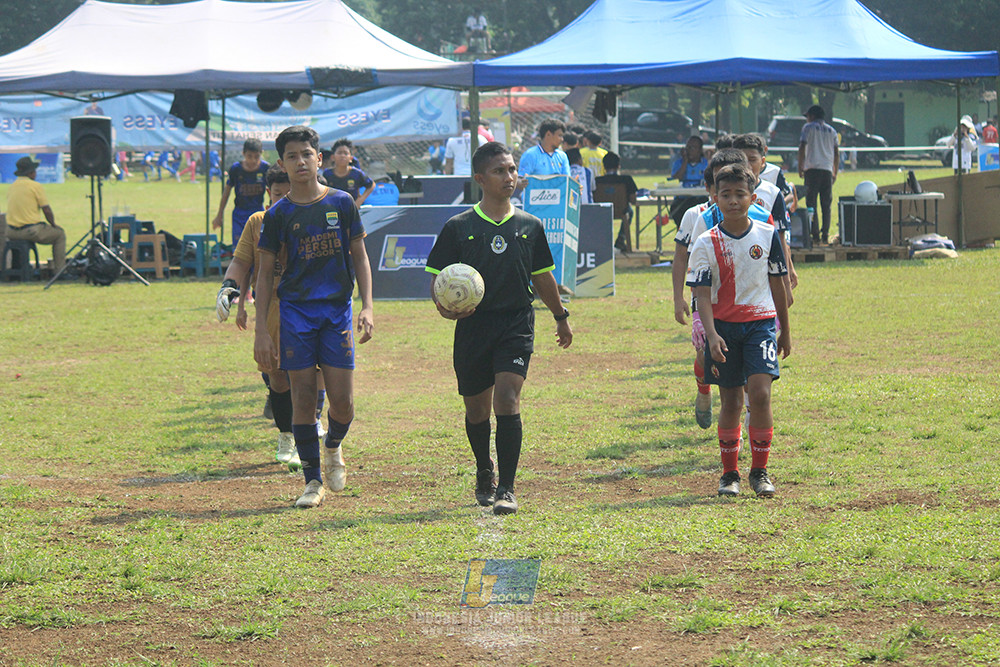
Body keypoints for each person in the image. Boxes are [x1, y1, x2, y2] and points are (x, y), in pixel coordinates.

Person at [425, 141, 573, 516]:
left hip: (515, 322)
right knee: (476, 411)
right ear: (480, 178)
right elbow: (438, 281)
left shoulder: (530, 225)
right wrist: (444, 308)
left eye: (512, 170)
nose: (509, 177)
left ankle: (507, 486)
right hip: (473, 327)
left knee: (507, 398)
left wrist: (560, 316)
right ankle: (484, 470)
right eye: (499, 171)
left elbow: (542, 276)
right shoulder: (458, 227)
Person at [254, 125, 374, 509]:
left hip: (336, 311)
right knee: (303, 399)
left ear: (318, 159)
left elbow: (360, 256)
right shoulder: (278, 214)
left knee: (342, 402)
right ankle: (311, 481)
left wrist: (367, 305)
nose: (300, 161)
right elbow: (263, 273)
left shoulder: (341, 203)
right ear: (282, 163)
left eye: (307, 154)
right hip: (295, 314)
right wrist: (261, 330)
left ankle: (333, 445)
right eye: (292, 156)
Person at [686, 163, 790, 498]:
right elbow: (702, 295)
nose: (733, 201)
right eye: (725, 195)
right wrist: (712, 333)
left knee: (760, 394)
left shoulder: (768, 236)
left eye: (739, 194)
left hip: (760, 326)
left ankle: (759, 471)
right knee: (731, 400)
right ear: (714, 197)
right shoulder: (705, 242)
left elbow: (778, 285)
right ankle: (729, 474)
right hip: (724, 330)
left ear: (753, 198)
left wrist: (785, 330)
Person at [673, 149, 772, 430]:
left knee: (751, 380)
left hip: (751, 307)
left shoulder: (762, 217)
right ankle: (704, 390)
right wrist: (679, 296)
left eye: (737, 190)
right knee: (706, 358)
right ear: (712, 189)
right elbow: (683, 257)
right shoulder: (700, 218)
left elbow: (775, 253)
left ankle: (743, 428)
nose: (730, 197)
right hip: (710, 301)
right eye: (721, 187)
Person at [216, 164, 301, 470]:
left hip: (308, 305)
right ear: (269, 194)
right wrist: (229, 289)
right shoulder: (257, 222)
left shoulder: (312, 218)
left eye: (290, 193)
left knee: (313, 375)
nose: (285, 200)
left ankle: (310, 427)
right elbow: (241, 262)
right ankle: (287, 435)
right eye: (279, 194)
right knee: (278, 376)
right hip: (272, 306)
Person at [731, 133, 797, 292]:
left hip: (765, 260)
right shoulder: (726, 192)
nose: (747, 165)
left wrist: (786, 275)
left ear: (762, 162)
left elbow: (780, 237)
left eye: (752, 160)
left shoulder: (773, 193)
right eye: (741, 159)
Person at [5, 157, 65, 274]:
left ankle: (17, 269)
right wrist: (53, 225)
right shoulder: (35, 186)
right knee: (59, 235)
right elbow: (46, 210)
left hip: (11, 231)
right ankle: (59, 271)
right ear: (31, 173)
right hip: (30, 230)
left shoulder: (12, 186)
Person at [212, 138, 269, 244]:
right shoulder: (236, 169)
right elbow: (226, 192)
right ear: (243, 154)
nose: (253, 160)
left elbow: (273, 192)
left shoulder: (265, 168)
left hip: (258, 212)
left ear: (261, 154)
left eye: (256, 156)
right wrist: (219, 214)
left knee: (259, 246)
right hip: (240, 214)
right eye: (249, 156)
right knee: (240, 247)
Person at [798, 104, 839, 245]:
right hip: (827, 170)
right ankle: (825, 234)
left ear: (812, 116)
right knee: (826, 204)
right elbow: (836, 152)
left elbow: (802, 147)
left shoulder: (807, 128)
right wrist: (835, 170)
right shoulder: (832, 131)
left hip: (812, 170)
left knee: (811, 203)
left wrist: (800, 166)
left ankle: (814, 234)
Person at [594, 151, 638, 251]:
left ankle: (603, 241)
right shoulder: (626, 179)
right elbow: (633, 200)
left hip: (601, 211)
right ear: (618, 166)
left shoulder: (597, 181)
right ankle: (621, 239)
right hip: (621, 210)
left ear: (604, 166)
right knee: (630, 211)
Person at [321, 138, 374, 207]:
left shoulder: (356, 173)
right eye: (339, 153)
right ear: (333, 157)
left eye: (346, 153)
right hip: (333, 208)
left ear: (351, 158)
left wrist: (360, 200)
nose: (343, 156)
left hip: (351, 209)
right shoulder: (327, 173)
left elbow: (371, 185)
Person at [517, 118, 570, 188]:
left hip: (556, 198)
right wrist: (520, 183)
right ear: (548, 134)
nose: (562, 139)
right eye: (559, 135)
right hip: (535, 198)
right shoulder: (530, 155)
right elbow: (519, 179)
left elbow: (567, 180)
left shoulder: (563, 156)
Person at [669, 135, 709, 226]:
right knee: (676, 210)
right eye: (688, 147)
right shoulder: (679, 163)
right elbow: (677, 178)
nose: (689, 150)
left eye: (693, 147)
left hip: (700, 198)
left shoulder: (705, 163)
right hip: (682, 198)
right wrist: (685, 161)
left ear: (699, 150)